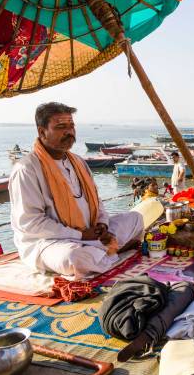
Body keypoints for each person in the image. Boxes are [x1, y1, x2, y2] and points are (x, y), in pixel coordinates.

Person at [9, 102, 144, 280]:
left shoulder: (78, 162)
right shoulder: (27, 169)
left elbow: (97, 202)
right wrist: (79, 235)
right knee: (74, 259)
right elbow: (31, 223)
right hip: (51, 242)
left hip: (90, 232)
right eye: (61, 127)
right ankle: (113, 250)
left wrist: (102, 224)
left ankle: (103, 251)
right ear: (42, 132)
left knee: (135, 218)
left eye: (71, 126)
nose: (69, 132)